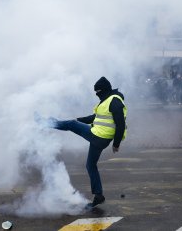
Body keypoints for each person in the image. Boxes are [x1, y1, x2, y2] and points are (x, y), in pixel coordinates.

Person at [38, 76, 127, 208]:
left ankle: (46, 123)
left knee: (72, 124)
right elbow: (94, 118)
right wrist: (77, 121)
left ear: (104, 90)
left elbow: (121, 124)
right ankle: (98, 196)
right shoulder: (106, 100)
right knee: (90, 165)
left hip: (99, 136)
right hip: (99, 136)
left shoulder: (114, 101)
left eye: (98, 92)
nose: (97, 95)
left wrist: (117, 144)